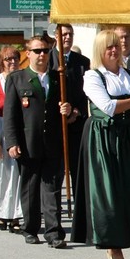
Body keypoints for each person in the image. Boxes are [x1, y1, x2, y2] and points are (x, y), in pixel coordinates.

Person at [71, 29, 130, 259]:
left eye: (116, 46)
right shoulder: (92, 76)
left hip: (128, 136)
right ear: (100, 50)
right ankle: (113, 246)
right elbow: (109, 107)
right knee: (108, 191)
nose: (114, 50)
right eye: (109, 47)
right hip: (103, 136)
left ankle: (125, 238)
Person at [3, 36, 73, 248]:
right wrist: (12, 142)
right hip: (28, 142)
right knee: (30, 188)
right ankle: (30, 229)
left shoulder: (58, 78)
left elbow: (70, 108)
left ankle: (54, 233)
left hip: (52, 142)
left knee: (52, 189)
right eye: (37, 51)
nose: (42, 54)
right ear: (28, 54)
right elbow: (10, 114)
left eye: (45, 50)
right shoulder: (17, 78)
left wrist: (69, 110)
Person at [51, 24, 90, 191]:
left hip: (77, 123)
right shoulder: (48, 59)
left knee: (79, 171)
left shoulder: (83, 62)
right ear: (56, 36)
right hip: (54, 125)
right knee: (55, 173)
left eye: (70, 34)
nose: (67, 37)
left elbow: (87, 91)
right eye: (64, 34)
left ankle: (79, 206)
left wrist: (77, 111)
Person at [0, 46, 23, 233]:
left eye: (15, 58)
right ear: (2, 62)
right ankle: (0, 211)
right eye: (8, 59)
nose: (12, 62)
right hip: (1, 130)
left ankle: (16, 214)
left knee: (18, 175)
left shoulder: (22, 79)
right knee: (2, 175)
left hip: (20, 130)